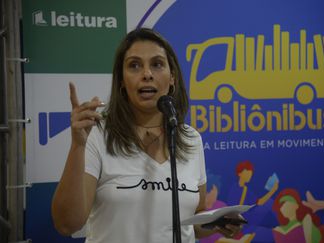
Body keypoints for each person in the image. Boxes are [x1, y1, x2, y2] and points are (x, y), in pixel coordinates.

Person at [51, 27, 244, 243]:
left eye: (157, 64)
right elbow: (67, 223)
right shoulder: (98, 134)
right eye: (134, 65)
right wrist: (78, 145)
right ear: (122, 81)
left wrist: (217, 223)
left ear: (172, 78)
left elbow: (193, 221)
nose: (147, 74)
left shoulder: (190, 139)